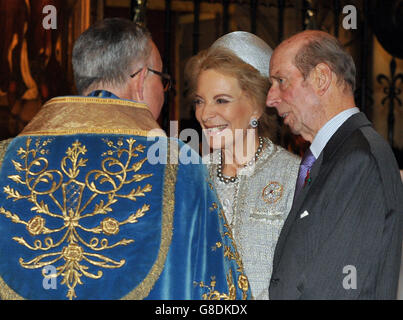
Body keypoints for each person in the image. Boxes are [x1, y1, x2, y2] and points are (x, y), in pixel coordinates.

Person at [0, 18, 251, 300]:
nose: (163, 92)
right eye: (163, 81)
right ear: (142, 79)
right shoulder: (177, 163)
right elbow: (216, 287)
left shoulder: (4, 158)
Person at [266, 30, 403, 299]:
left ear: (321, 78)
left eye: (281, 81)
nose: (271, 98)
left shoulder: (359, 159)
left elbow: (333, 289)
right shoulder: (336, 154)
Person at [185, 31, 300, 300]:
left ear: (257, 107)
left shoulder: (293, 175)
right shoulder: (190, 175)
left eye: (221, 100)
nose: (204, 114)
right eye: (200, 101)